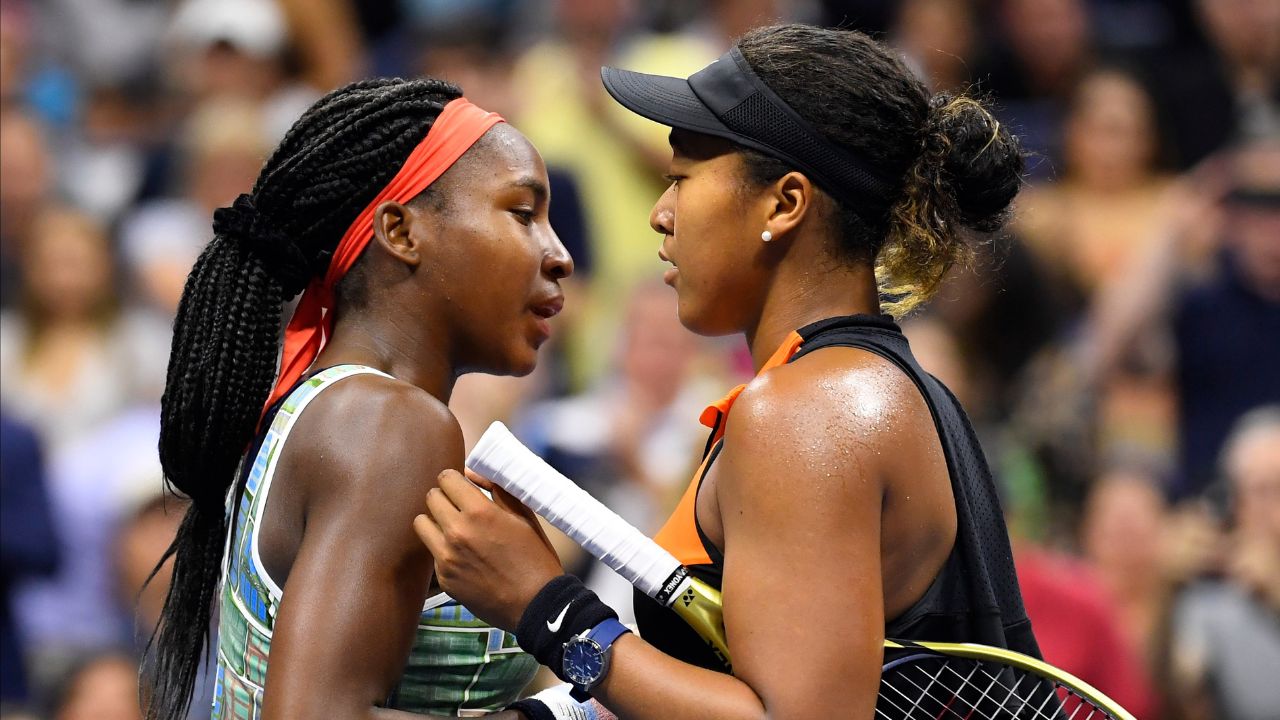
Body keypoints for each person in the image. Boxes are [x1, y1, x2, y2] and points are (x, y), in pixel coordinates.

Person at [415, 24, 1040, 719]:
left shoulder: (810, 412)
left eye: (682, 179)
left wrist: (543, 606)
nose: (660, 214)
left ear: (785, 203)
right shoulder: (864, 390)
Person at [144, 77, 572, 720]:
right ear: (401, 231)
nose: (559, 255)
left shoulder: (336, 407)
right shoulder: (389, 426)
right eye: (521, 213)